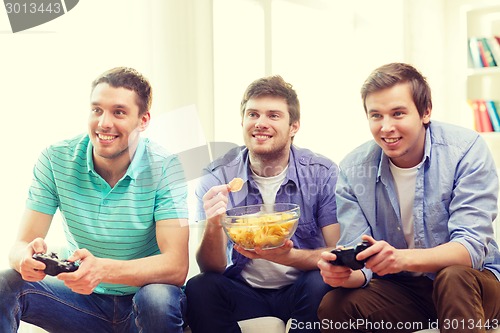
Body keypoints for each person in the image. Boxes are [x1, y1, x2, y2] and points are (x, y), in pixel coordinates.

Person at [0, 67, 190, 332]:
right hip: (80, 303)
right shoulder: (56, 159)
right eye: (97, 110)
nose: (103, 123)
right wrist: (24, 258)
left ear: (143, 120)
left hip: (142, 302)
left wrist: (103, 270)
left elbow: (176, 266)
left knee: (156, 299)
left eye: (119, 112)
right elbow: (20, 244)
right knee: (6, 283)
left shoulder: (166, 166)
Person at [317, 62, 500, 333]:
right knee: (335, 306)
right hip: (406, 290)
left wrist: (400, 258)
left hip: (473, 283)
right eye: (376, 115)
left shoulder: (465, 150)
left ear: (425, 112)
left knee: (453, 277)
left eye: (398, 113)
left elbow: (470, 249)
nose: (386, 127)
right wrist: (343, 275)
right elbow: (362, 266)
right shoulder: (353, 169)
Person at [185, 75, 340, 333]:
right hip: (244, 292)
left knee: (321, 282)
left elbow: (335, 252)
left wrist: (288, 257)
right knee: (200, 287)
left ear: (294, 126)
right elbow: (211, 267)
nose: (261, 123)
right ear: (243, 121)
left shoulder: (322, 173)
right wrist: (214, 223)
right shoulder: (217, 176)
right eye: (253, 114)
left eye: (273, 115)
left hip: (302, 288)